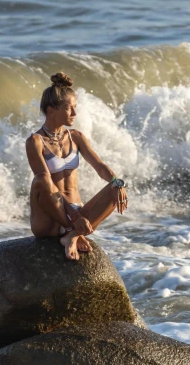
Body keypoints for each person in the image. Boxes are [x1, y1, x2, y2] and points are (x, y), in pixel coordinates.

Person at [26, 72, 128, 260]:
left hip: (78, 213)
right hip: (50, 219)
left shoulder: (76, 137)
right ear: (51, 111)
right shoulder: (35, 141)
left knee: (115, 188)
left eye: (75, 107)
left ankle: (71, 235)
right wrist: (74, 218)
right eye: (69, 108)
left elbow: (100, 167)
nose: (75, 113)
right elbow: (44, 182)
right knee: (41, 179)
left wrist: (117, 182)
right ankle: (72, 230)